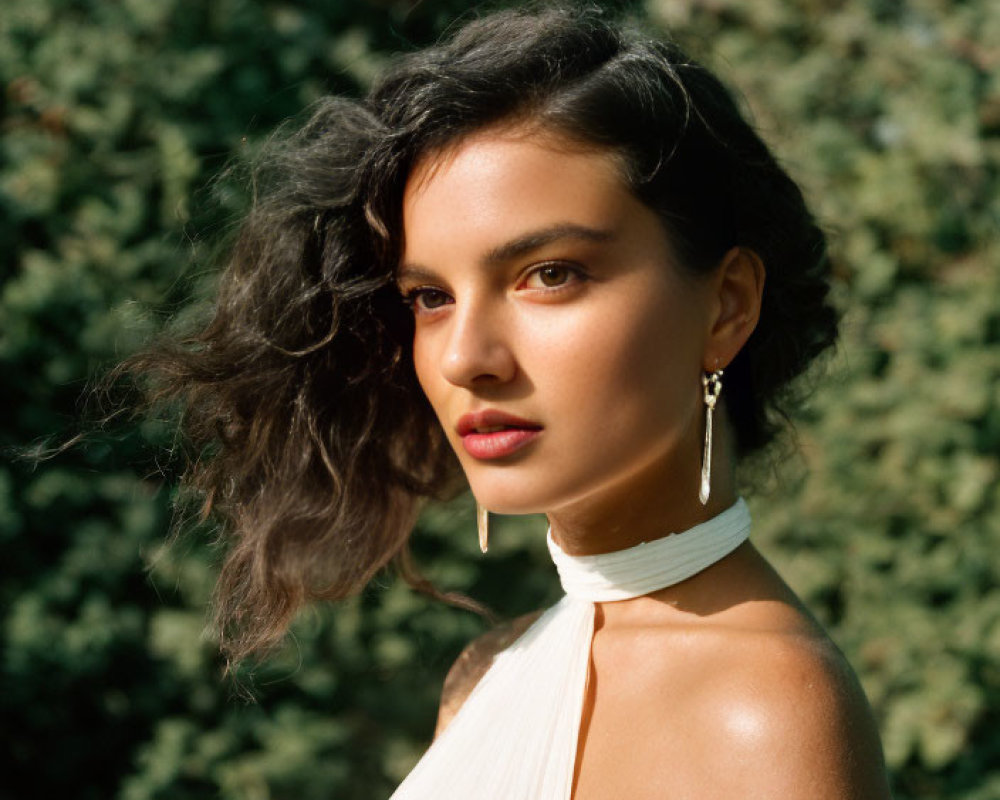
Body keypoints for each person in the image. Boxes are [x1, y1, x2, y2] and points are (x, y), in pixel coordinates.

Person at [125, 4, 892, 797]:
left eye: (549, 274)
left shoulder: (765, 715)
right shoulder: (487, 673)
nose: (465, 358)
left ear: (727, 305)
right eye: (429, 296)